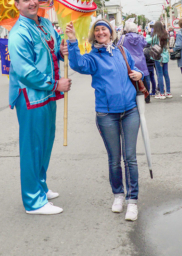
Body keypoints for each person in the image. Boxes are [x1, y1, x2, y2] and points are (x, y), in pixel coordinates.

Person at [64, 19, 142, 222]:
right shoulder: (92, 57)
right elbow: (78, 64)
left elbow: (135, 69)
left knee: (130, 158)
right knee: (114, 159)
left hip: (130, 111)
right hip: (107, 114)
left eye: (104, 29)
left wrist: (139, 74)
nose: (101, 32)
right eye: (97, 30)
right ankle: (118, 195)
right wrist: (72, 41)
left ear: (111, 32)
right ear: (94, 34)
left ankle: (132, 201)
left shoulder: (121, 51)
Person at [8, 0, 71, 215]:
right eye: (26, 0)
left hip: (47, 95)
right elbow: (25, 71)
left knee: (45, 143)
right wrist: (56, 84)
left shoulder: (44, 23)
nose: (32, 2)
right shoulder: (18, 33)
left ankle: (40, 187)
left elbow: (51, 53)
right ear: (18, 5)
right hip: (30, 96)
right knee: (32, 147)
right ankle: (33, 201)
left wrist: (62, 49)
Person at [118, 21, 150, 103]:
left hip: (129, 61)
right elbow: (145, 44)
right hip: (141, 60)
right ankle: (147, 97)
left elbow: (118, 47)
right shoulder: (141, 37)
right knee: (143, 78)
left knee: (130, 79)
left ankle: (133, 97)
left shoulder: (123, 38)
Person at [150, 21, 172, 99]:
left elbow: (149, 42)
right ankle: (168, 92)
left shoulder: (155, 36)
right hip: (165, 56)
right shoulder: (166, 35)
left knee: (159, 74)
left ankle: (162, 93)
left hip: (158, 56)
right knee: (166, 74)